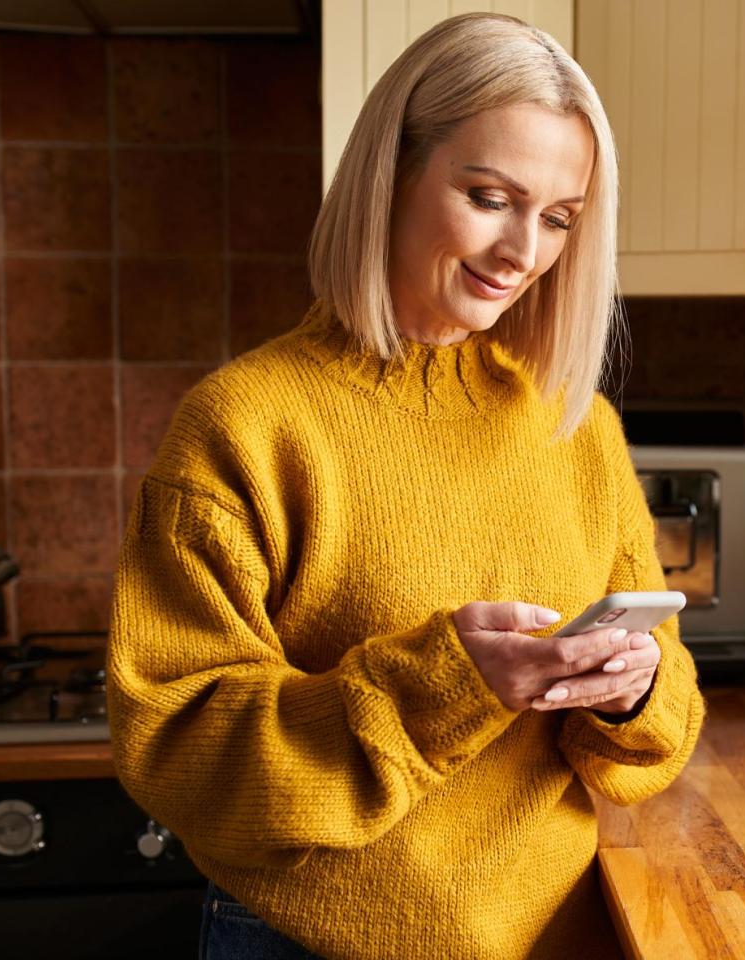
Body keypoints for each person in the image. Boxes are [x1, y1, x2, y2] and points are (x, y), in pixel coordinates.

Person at [105, 13, 704, 959]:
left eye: (558, 218)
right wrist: (444, 686)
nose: (522, 252)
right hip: (306, 943)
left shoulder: (576, 426)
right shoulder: (246, 424)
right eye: (489, 198)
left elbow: (660, 733)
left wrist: (630, 689)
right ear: (391, 175)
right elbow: (175, 747)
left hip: (552, 935)